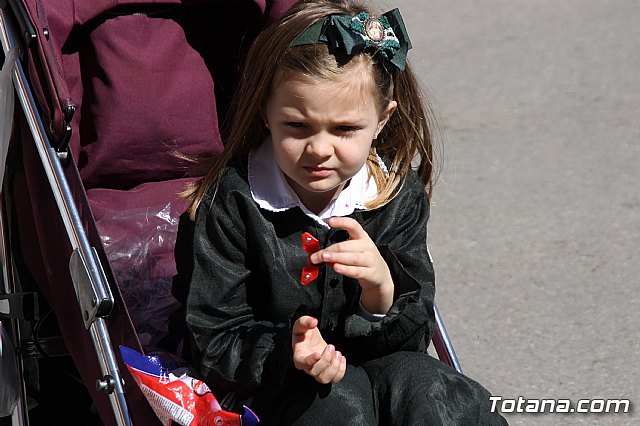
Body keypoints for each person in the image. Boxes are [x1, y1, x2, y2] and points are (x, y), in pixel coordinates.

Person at [173, 0, 508, 424]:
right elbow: (215, 336)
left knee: (430, 390)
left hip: (379, 362)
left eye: (345, 129)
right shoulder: (231, 203)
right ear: (266, 113)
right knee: (338, 404)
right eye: (297, 126)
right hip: (275, 387)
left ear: (382, 120)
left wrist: (382, 293)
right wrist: (287, 351)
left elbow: (415, 332)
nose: (319, 149)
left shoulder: (393, 194)